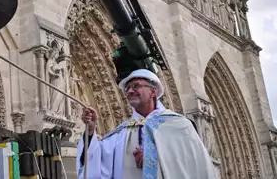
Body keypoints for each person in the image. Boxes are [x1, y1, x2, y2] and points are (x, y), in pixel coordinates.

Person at [76, 69, 217, 178]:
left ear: (153, 92)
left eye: (136, 86)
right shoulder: (122, 132)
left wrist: (153, 158)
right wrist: (91, 130)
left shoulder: (179, 125)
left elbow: (193, 166)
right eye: (127, 88)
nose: (130, 91)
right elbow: (95, 163)